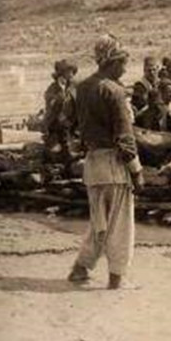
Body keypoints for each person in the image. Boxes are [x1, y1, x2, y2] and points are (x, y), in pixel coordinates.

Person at [67, 34, 144, 290]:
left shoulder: (83, 87)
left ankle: (80, 268)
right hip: (114, 165)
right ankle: (116, 277)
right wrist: (136, 170)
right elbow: (125, 136)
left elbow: (75, 125)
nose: (125, 68)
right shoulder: (114, 90)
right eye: (123, 62)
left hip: (92, 164)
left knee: (99, 222)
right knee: (120, 225)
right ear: (112, 62)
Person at [43, 58, 78, 171]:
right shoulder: (52, 89)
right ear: (61, 74)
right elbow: (52, 109)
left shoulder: (75, 86)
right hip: (58, 126)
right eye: (68, 71)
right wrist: (61, 93)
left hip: (75, 123)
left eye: (72, 71)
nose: (71, 74)